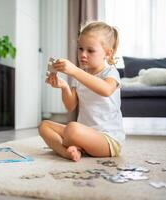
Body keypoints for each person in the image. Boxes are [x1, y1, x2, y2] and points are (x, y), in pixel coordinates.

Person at [39, 21, 125, 162]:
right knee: (44, 126)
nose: (83, 54)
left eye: (90, 50)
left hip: (107, 140)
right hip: (83, 134)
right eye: (80, 49)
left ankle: (74, 145)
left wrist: (75, 71)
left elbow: (106, 90)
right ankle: (66, 152)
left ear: (108, 54)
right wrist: (64, 87)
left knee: (72, 129)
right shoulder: (79, 76)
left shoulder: (110, 72)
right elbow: (70, 106)